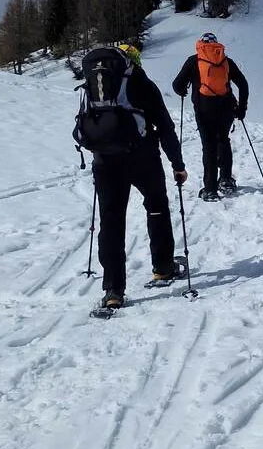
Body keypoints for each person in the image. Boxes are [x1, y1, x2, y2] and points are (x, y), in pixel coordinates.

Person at [74, 43, 188, 309]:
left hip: (104, 161)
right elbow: (165, 126)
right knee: (157, 207)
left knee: (111, 221)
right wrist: (178, 164)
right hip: (143, 157)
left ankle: (113, 290)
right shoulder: (141, 82)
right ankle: (163, 268)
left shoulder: (93, 83)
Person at [171, 33, 250, 201]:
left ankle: (210, 188)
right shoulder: (226, 61)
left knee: (209, 146)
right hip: (226, 108)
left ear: (201, 44)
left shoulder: (194, 61)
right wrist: (242, 108)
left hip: (204, 109)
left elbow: (177, 85)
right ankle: (226, 180)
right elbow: (243, 84)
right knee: (223, 140)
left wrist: (183, 90)